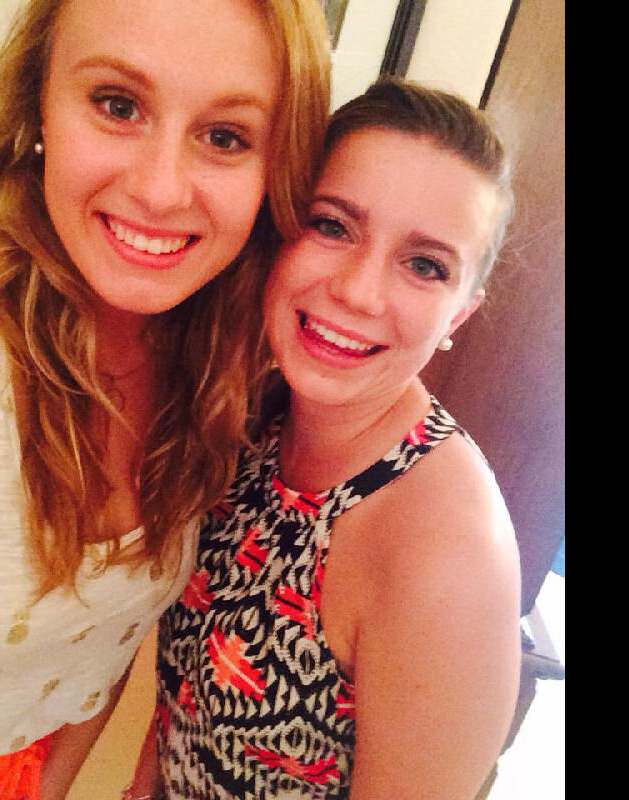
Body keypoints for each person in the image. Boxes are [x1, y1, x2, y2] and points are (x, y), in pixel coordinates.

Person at [0, 0, 331, 797]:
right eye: (117, 104)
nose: (160, 191)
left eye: (225, 137)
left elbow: (95, 660)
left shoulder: (216, 367)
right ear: (37, 103)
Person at [145, 77, 522, 799]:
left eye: (424, 265)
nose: (358, 291)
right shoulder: (254, 413)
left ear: (458, 316)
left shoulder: (449, 555)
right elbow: (183, 691)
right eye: (333, 226)